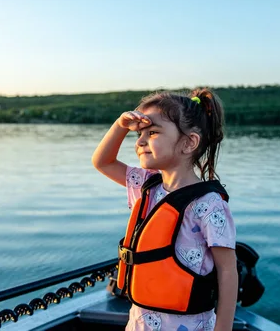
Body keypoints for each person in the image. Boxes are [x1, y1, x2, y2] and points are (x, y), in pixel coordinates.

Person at [92, 88, 238, 331]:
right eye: (138, 134)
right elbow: (102, 162)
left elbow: (227, 270)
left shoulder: (209, 205)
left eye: (153, 133)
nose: (140, 141)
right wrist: (120, 125)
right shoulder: (145, 185)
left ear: (189, 142)